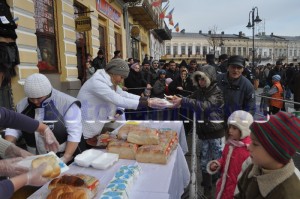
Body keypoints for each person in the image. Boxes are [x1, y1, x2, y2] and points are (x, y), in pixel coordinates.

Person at [170, 65, 225, 198]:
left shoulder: (216, 92)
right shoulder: (200, 91)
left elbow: (205, 106)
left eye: (203, 79)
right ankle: (207, 187)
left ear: (210, 78)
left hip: (215, 132)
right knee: (204, 160)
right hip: (204, 132)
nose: (201, 81)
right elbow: (191, 98)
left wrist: (183, 100)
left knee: (218, 160)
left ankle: (219, 185)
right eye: (199, 79)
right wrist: (176, 99)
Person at [77, 58, 165, 140]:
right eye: (121, 77)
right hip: (85, 128)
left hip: (96, 126)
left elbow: (123, 94)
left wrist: (147, 99)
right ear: (113, 73)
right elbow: (118, 99)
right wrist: (146, 103)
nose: (122, 81)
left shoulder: (109, 82)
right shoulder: (97, 82)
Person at [5, 74, 83, 164]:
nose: (35, 102)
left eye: (39, 98)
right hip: (34, 157)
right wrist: (9, 146)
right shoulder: (22, 105)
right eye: (31, 99)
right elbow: (14, 127)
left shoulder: (67, 103)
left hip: (61, 155)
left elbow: (75, 133)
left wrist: (66, 157)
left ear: (47, 92)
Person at [235, 112, 300, 199]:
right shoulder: (253, 169)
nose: (249, 147)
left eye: (255, 143)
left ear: (275, 152)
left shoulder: (288, 193)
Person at [207, 110, 253, 199]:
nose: (230, 131)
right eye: (229, 127)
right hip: (223, 187)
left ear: (244, 130)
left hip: (237, 191)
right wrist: (218, 163)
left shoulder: (249, 150)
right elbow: (224, 159)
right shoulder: (229, 144)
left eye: (234, 128)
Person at [217, 55, 256, 121]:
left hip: (235, 122)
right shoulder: (217, 79)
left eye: (239, 68)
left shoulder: (247, 85)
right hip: (217, 121)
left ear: (243, 69)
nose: (235, 70)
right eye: (233, 67)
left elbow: (250, 107)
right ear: (228, 67)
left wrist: (241, 122)